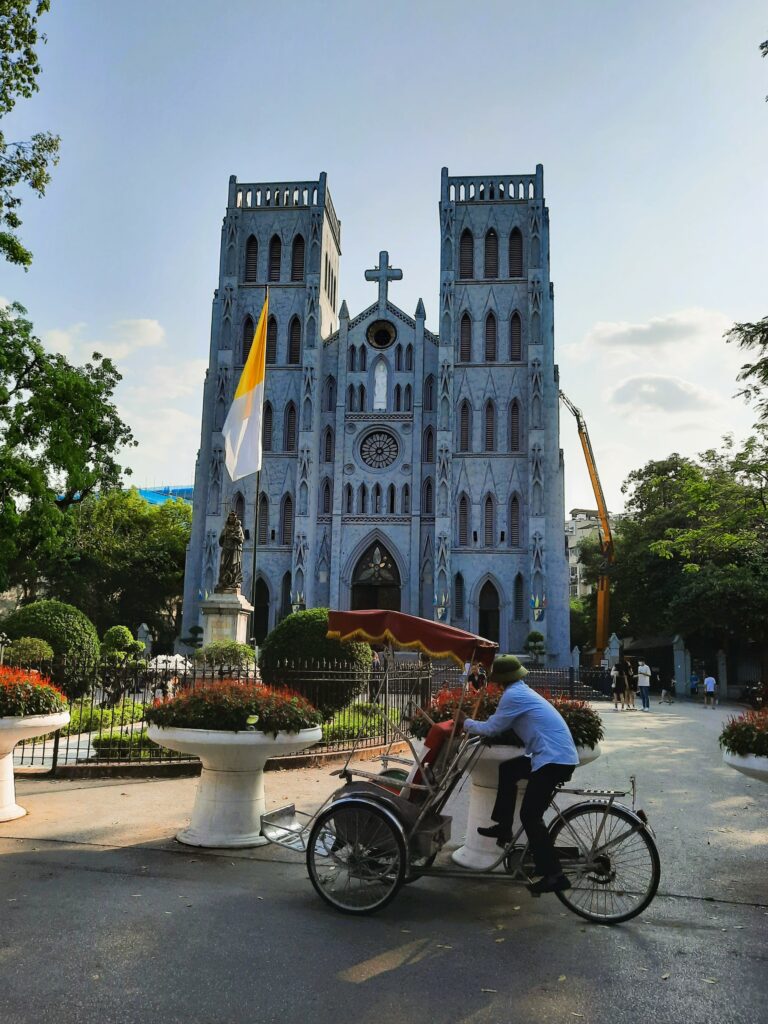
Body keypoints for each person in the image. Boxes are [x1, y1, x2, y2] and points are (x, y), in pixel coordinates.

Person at [462, 655, 578, 896]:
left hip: (553, 760)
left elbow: (493, 728)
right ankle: (504, 827)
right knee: (509, 769)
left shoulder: (513, 696)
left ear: (500, 680)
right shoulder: (522, 691)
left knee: (530, 816)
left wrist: (466, 723)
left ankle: (554, 875)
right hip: (553, 755)